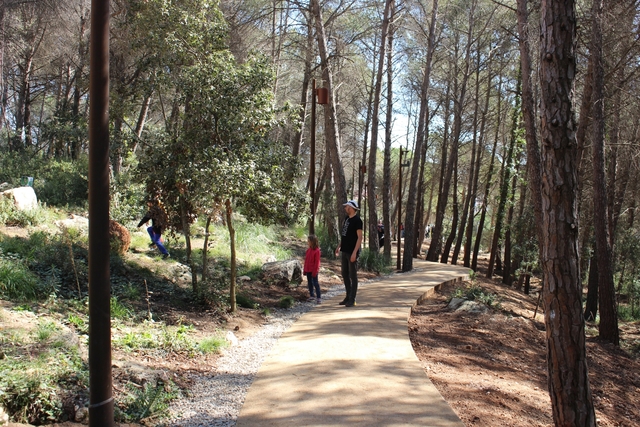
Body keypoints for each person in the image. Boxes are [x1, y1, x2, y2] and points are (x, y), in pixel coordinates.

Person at [334, 200, 363, 307]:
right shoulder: (346, 219)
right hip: (344, 250)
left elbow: (360, 238)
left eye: (346, 207)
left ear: (351, 208)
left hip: (352, 252)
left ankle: (352, 299)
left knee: (353, 275)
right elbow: (344, 235)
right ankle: (348, 295)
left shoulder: (358, 221)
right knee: (344, 274)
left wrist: (355, 253)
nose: (345, 208)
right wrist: (339, 246)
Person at [303, 234, 321, 304]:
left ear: (312, 242)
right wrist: (304, 270)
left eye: (309, 241)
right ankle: (312, 295)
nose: (307, 242)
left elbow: (317, 262)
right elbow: (306, 261)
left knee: (315, 283)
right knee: (309, 283)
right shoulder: (308, 250)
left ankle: (318, 297)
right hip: (308, 270)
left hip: (313, 270)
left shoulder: (317, 251)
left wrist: (315, 271)